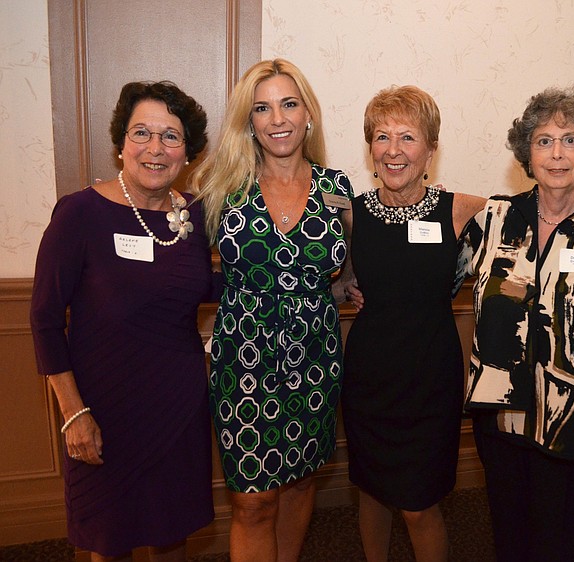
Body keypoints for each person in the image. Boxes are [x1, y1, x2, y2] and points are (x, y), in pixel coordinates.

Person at [456, 85, 574, 562]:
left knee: (559, 546)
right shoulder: (495, 219)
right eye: (544, 140)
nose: (557, 153)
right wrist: (349, 281)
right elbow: (429, 278)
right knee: (509, 542)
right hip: (500, 422)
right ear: (527, 152)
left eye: (571, 140)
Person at [30, 81, 215, 561]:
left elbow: (210, 286)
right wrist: (74, 413)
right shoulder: (79, 214)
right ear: (121, 143)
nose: (155, 148)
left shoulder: (194, 215)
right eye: (142, 133)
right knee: (107, 542)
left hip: (178, 406)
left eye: (171, 137)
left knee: (173, 535)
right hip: (103, 409)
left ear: (187, 152)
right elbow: (45, 320)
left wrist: (312, 279)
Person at [193, 59, 351, 562]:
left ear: (308, 114)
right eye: (262, 108)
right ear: (249, 121)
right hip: (244, 358)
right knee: (253, 500)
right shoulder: (222, 188)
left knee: (301, 485)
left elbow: (350, 265)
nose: (277, 118)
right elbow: (176, 259)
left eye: (289, 103)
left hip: (314, 357)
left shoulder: (338, 188)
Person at [341, 85, 485, 562]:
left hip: (431, 377)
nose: (394, 150)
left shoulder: (461, 210)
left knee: (420, 506)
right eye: (382, 137)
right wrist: (344, 290)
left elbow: (543, 212)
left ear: (431, 149)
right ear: (371, 149)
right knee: (371, 492)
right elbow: (332, 283)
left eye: (408, 137)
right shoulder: (351, 214)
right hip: (369, 378)